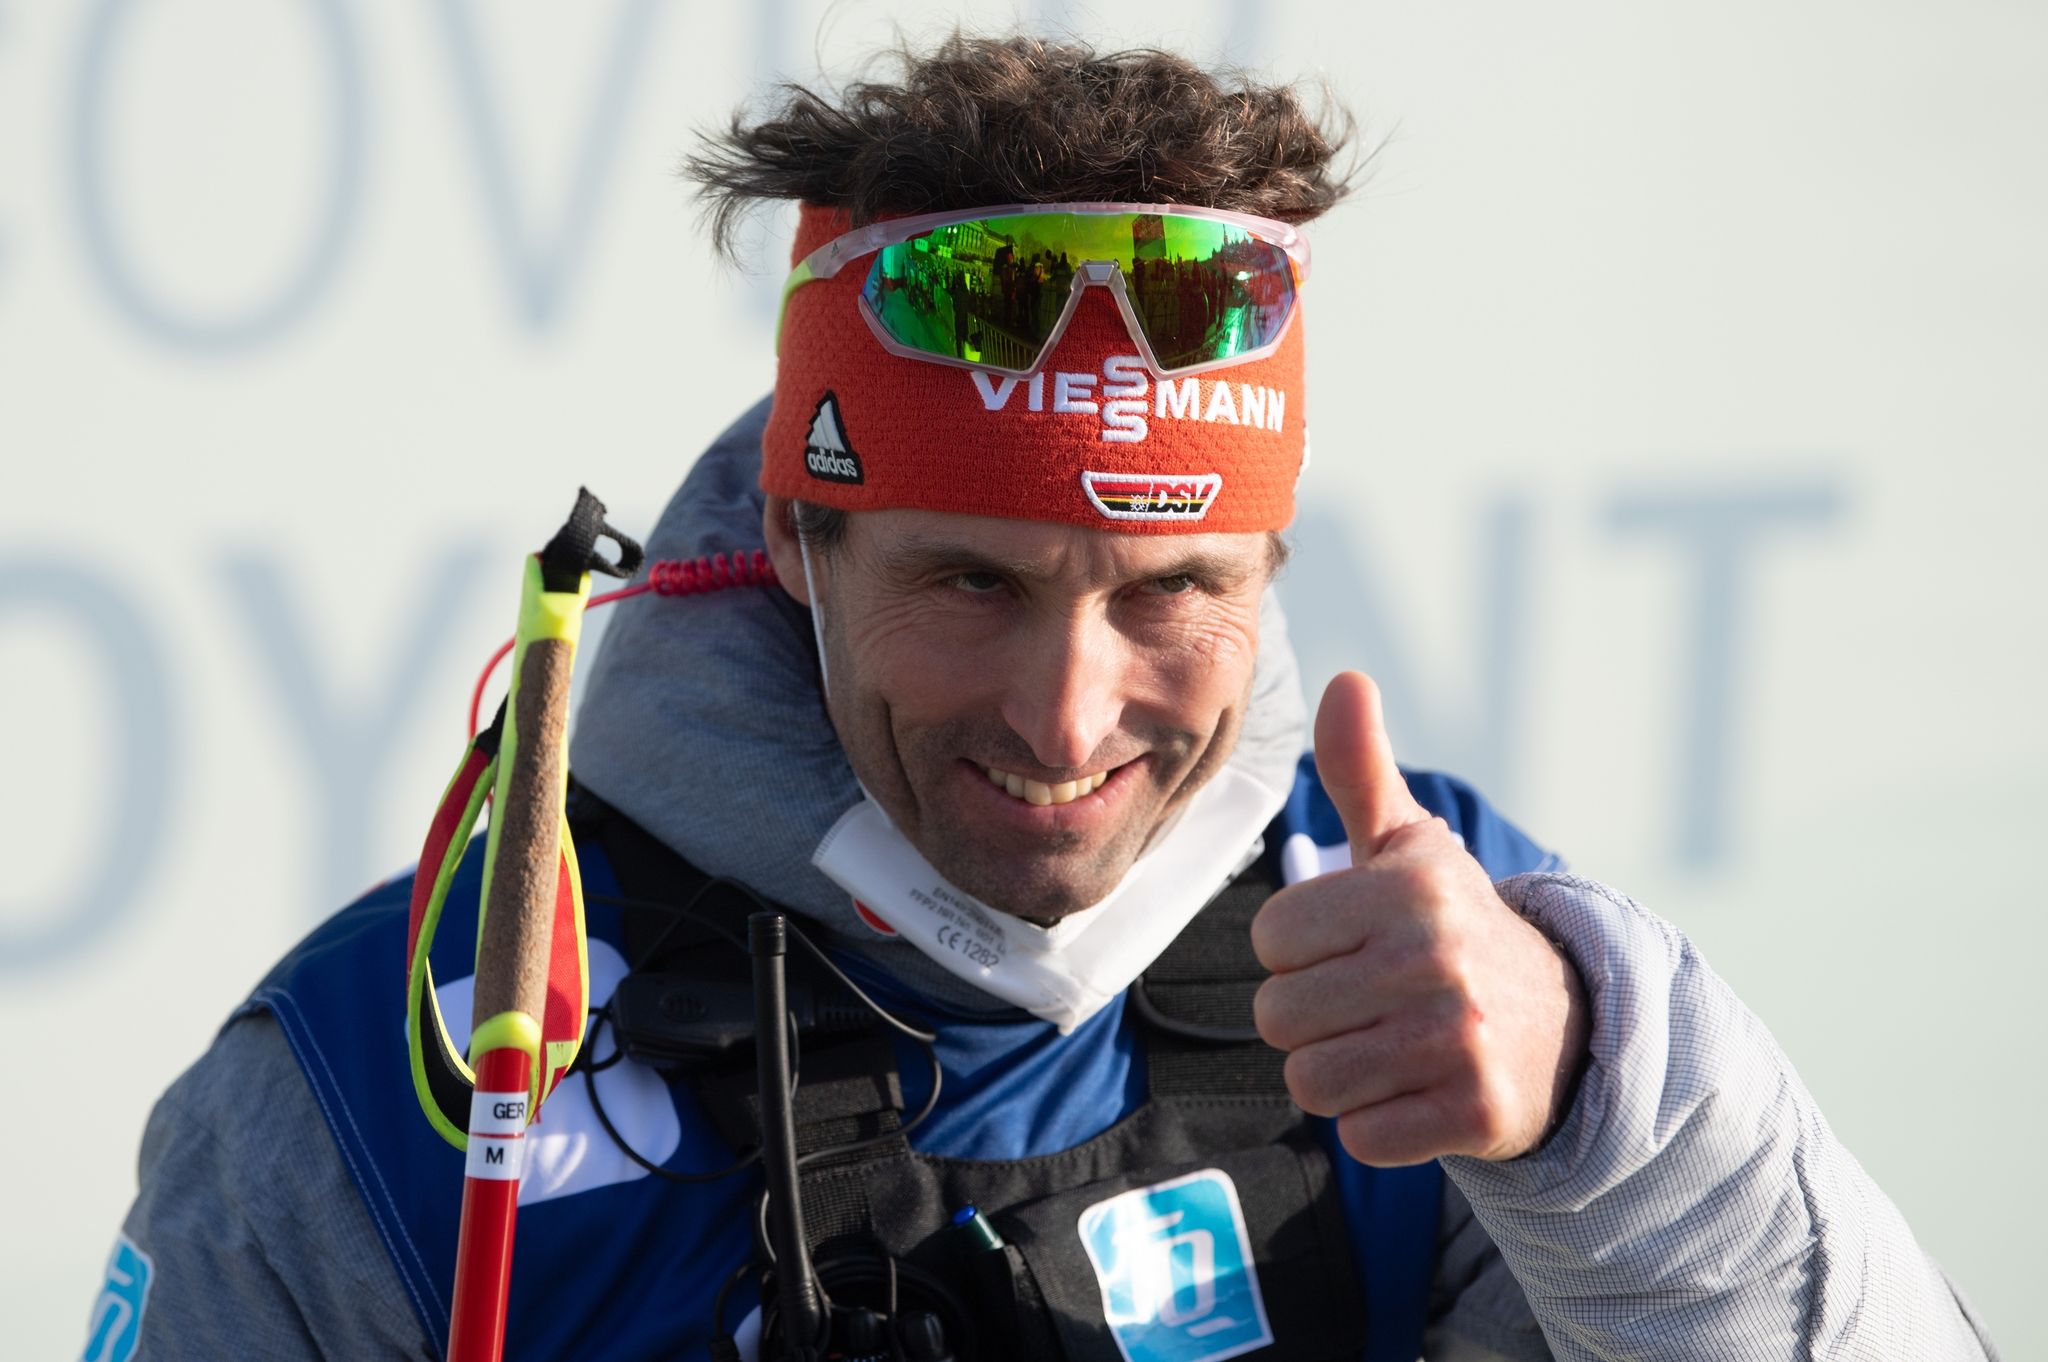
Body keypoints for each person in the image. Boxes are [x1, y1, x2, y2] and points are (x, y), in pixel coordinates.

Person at [93, 34, 1999, 1362]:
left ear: (1270, 568)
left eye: (1174, 588)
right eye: (967, 582)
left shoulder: (1443, 956)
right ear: (793, 538)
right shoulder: (389, 1086)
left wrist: (1613, 1111)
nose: (1069, 718)